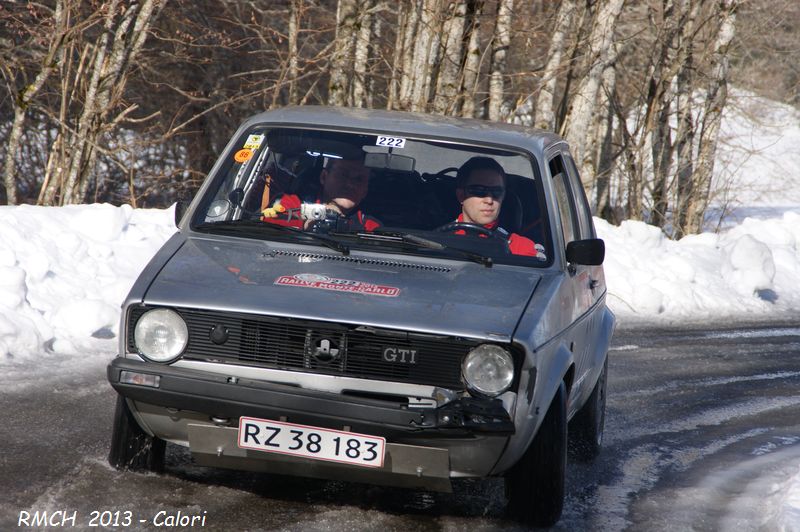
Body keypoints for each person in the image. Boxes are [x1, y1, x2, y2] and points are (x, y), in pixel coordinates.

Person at [453, 156, 542, 257]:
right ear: (461, 195)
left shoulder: (521, 248)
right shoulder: (435, 242)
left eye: (497, 192)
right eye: (479, 191)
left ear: (503, 196)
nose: (489, 200)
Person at [262, 156, 380, 232]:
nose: (350, 184)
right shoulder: (291, 205)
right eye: (343, 175)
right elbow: (267, 233)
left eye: (359, 179)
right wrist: (306, 226)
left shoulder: (369, 227)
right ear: (324, 177)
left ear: (365, 190)